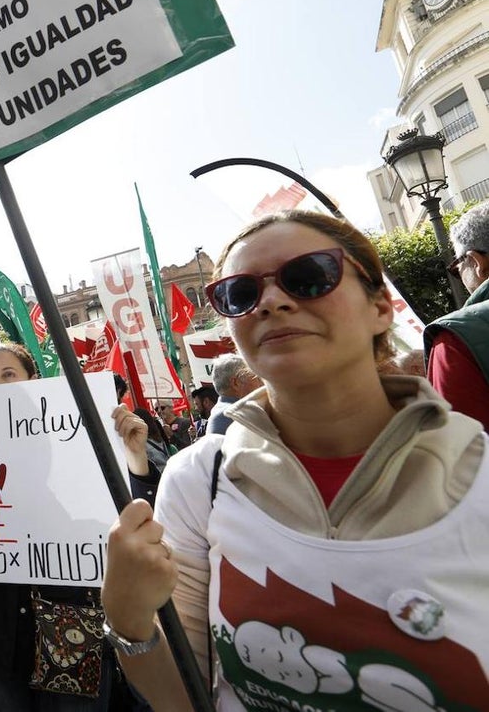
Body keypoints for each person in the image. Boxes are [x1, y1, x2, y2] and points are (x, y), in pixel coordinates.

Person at [102, 209, 489, 710]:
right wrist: (129, 620)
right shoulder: (200, 479)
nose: (272, 302)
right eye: (240, 294)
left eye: (308, 277)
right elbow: (184, 696)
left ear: (380, 306)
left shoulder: (477, 473)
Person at [0, 343, 155, 712]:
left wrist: (135, 457)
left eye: (8, 375)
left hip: (70, 626)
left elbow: (132, 513)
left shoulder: (75, 434)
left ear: (33, 381)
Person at [425, 199, 489, 428]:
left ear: (476, 261)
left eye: (457, 266)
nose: (459, 275)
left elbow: (458, 453)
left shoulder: (455, 341)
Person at [204, 353, 261, 436]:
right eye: (255, 377)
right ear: (236, 383)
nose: (260, 383)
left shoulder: (223, 412)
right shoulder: (236, 414)